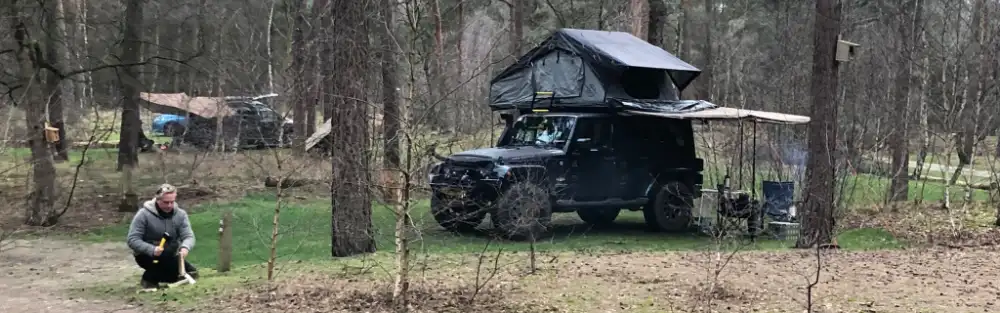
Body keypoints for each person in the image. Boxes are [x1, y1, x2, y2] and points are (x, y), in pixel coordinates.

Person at [126, 184, 198, 289]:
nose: (169, 205)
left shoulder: (180, 215)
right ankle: (149, 278)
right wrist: (152, 249)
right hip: (147, 255)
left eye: (172, 202)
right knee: (171, 268)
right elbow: (132, 239)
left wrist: (185, 247)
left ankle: (155, 278)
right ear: (157, 200)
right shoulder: (143, 215)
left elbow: (188, 236)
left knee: (192, 272)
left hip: (171, 254)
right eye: (166, 202)